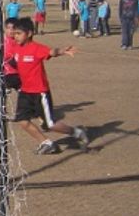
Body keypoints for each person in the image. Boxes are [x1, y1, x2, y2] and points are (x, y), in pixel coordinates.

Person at [9, 17, 89, 154]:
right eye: (14, 33)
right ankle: (46, 143)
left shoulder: (36, 48)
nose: (15, 36)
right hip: (25, 92)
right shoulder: (16, 48)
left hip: (40, 92)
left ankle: (76, 132)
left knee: (50, 124)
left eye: (19, 33)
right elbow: (13, 62)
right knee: (22, 121)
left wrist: (62, 51)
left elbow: (52, 52)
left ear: (29, 34)